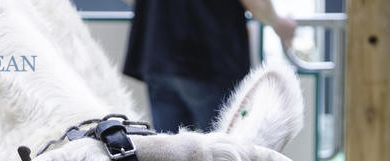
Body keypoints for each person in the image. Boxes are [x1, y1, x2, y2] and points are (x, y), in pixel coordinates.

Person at [123, 0, 297, 133]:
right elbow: (257, 4)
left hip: (157, 52)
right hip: (207, 56)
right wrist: (278, 23)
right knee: (226, 155)